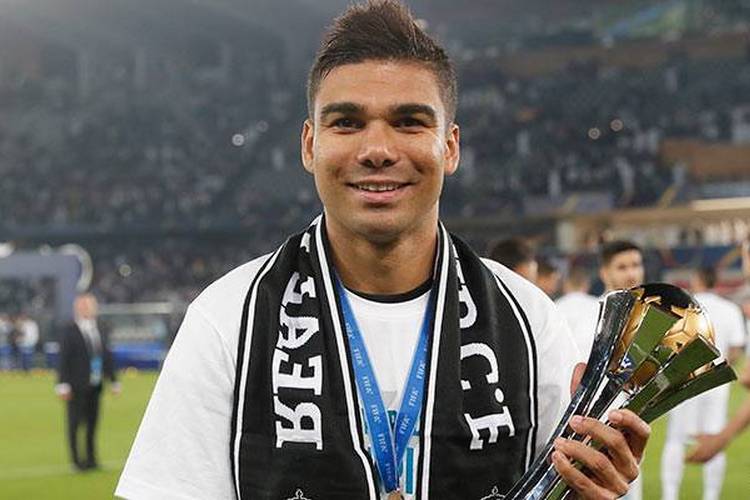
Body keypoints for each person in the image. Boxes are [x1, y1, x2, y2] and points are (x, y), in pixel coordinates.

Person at [116, 2, 650, 499]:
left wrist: (598, 489)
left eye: (409, 121)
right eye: (347, 122)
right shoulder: (229, 319)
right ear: (310, 145)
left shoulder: (527, 320)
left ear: (450, 146)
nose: (376, 150)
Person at [659, 266, 746, 500]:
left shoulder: (683, 308)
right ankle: (711, 496)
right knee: (714, 438)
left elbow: (668, 345)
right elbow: (737, 348)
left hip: (684, 380)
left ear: (697, 280)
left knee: (676, 439)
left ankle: (670, 495)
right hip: (716, 383)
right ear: (715, 281)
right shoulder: (730, 309)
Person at [598, 239, 646, 500]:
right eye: (622, 267)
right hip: (597, 431)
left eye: (636, 265)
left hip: (632, 431)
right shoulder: (592, 318)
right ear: (605, 273)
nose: (631, 273)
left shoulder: (646, 319)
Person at [56, 293, 120, 471]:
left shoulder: (100, 328)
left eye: (90, 305)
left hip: (95, 383)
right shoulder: (69, 329)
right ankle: (76, 461)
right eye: (83, 306)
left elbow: (106, 356)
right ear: (77, 308)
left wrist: (113, 380)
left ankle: (92, 459)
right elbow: (64, 358)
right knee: (75, 423)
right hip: (76, 385)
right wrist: (62, 384)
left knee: (92, 423)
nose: (87, 309)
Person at [555, 263, 600, 357]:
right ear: (586, 285)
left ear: (565, 284)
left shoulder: (556, 306)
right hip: (593, 359)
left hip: (566, 359)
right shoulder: (598, 304)